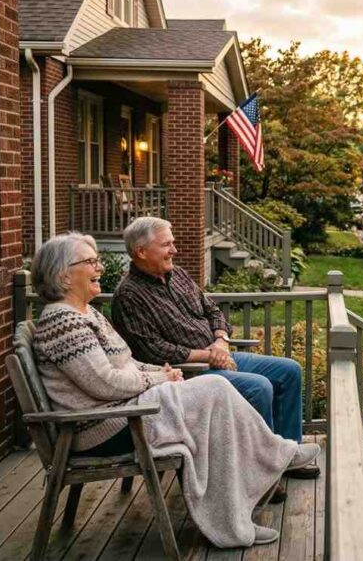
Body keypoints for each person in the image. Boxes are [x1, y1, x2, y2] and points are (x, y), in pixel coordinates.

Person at [29, 233, 320, 547]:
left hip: (128, 410)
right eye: (90, 262)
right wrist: (160, 379)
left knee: (217, 394)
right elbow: (105, 383)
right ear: (64, 275)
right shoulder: (64, 323)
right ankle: (263, 478)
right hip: (107, 426)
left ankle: (265, 472)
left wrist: (160, 373)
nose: (99, 267)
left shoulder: (87, 314)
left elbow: (127, 364)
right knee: (216, 389)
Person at [110, 217, 316, 480]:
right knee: (259, 388)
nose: (174, 250)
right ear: (141, 251)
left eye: (173, 243)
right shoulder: (129, 296)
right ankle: (262, 474)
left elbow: (213, 310)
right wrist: (209, 356)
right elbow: (152, 350)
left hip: (217, 355)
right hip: (186, 374)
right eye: (166, 245)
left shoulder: (178, 275)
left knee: (289, 370)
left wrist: (221, 341)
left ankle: (288, 457)